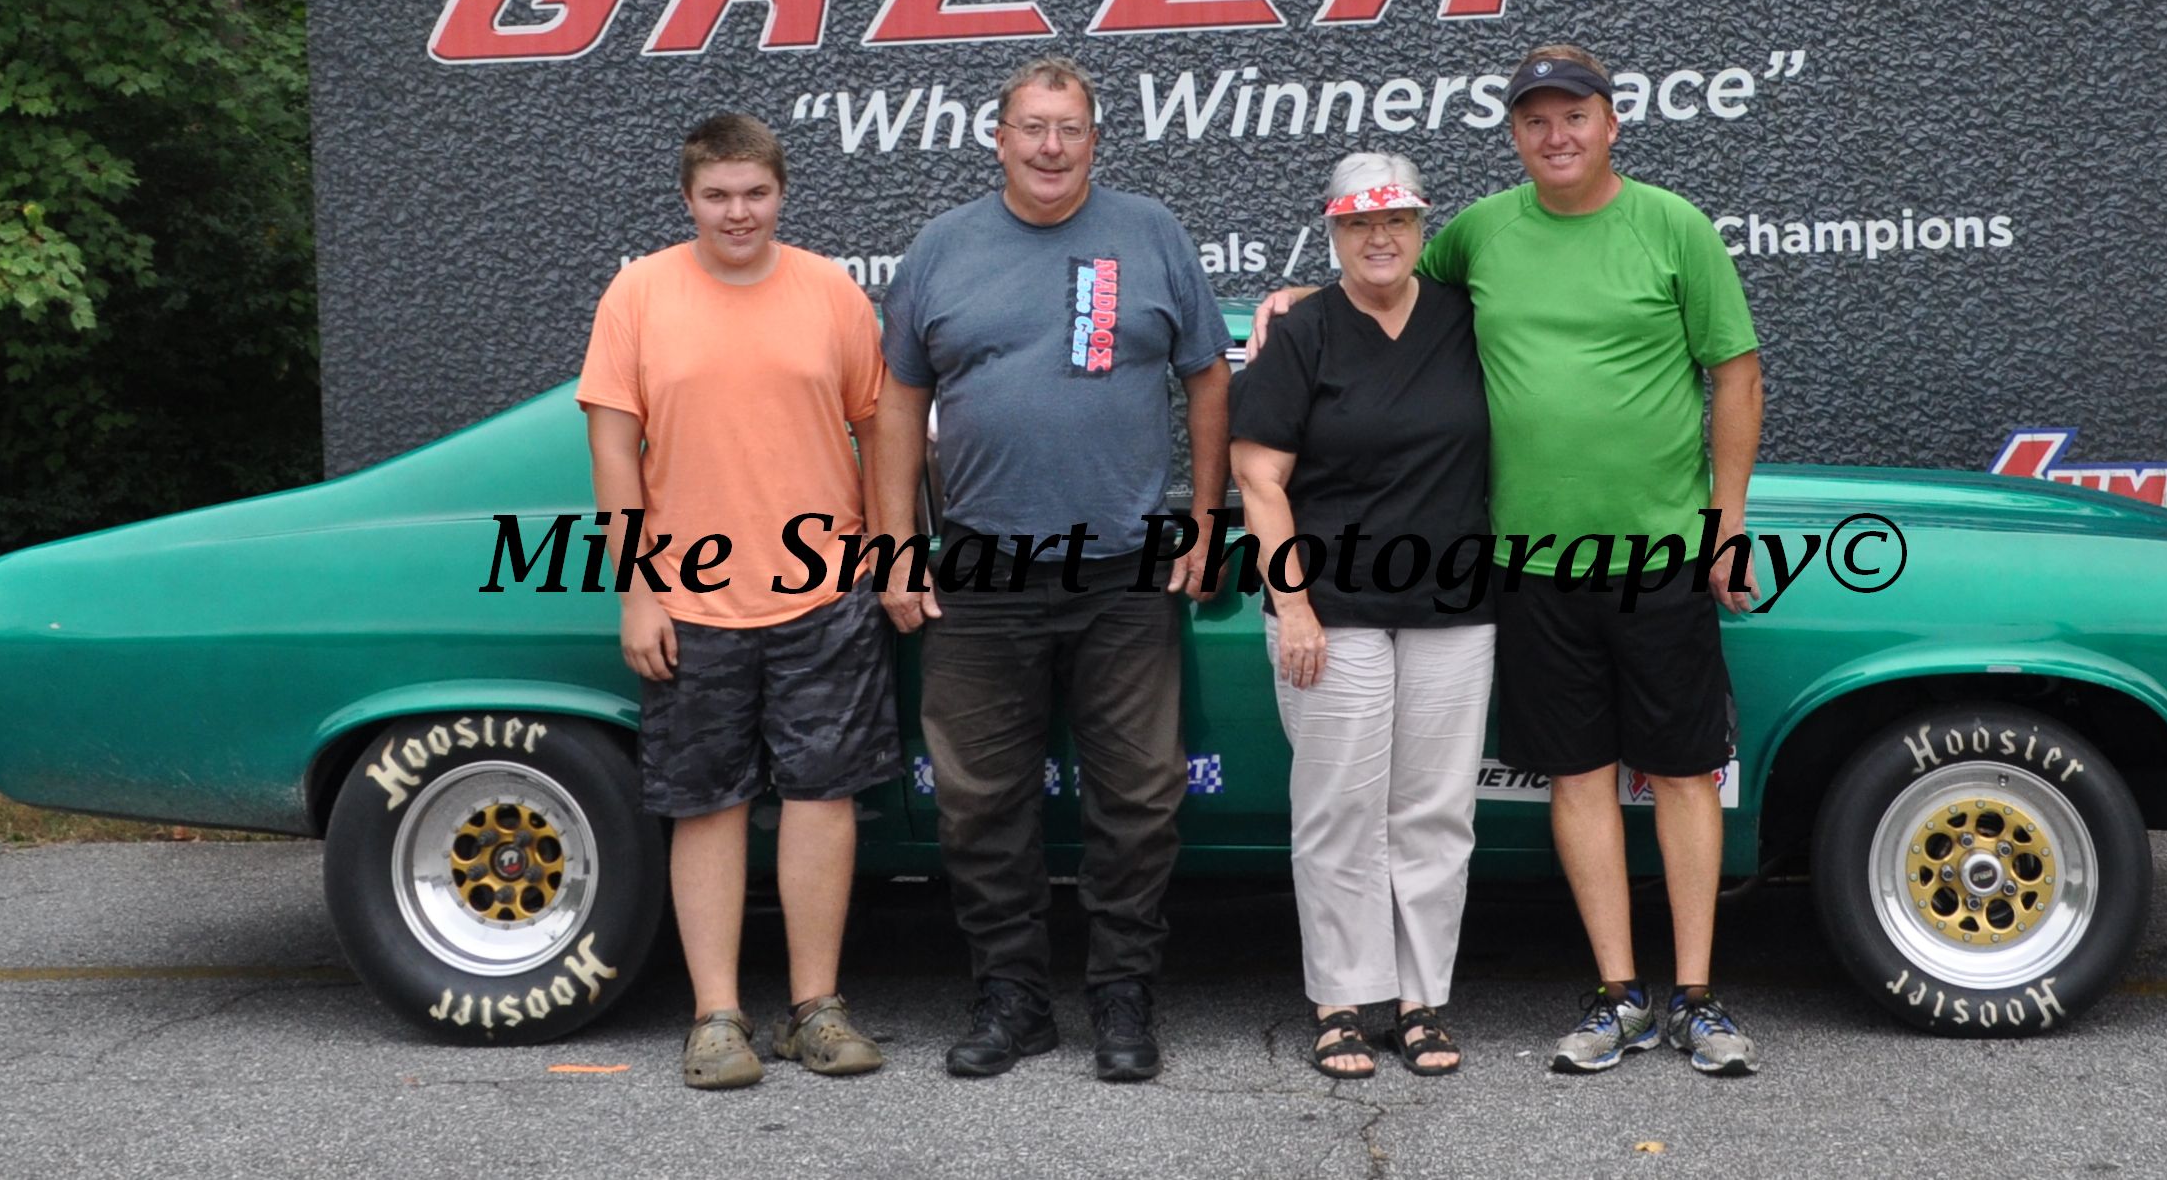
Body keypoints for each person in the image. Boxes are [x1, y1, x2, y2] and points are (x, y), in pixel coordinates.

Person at [1254, 43, 1765, 1077]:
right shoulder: (1480, 234)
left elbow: (1738, 375)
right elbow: (1379, 286)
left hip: (1660, 553)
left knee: (1681, 773)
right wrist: (1300, 295)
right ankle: (1617, 994)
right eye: (1535, 119)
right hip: (1528, 566)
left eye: (1573, 115)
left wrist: (1725, 522)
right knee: (1575, 776)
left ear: (1610, 122)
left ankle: (1696, 997)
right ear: (1514, 135)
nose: (1555, 134)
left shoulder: (1674, 226)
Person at [870, 54, 1233, 1083]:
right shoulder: (942, 249)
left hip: (1125, 570)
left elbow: (1208, 379)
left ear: (1094, 141)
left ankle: (1122, 993)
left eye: (1069, 128)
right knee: (980, 800)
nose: (1049, 146)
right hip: (980, 570)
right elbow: (896, 405)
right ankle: (1012, 997)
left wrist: (1206, 523)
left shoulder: (1150, 234)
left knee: (1139, 798)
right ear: (998, 139)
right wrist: (895, 545)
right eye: (1031, 127)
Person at [577, 113, 897, 1092]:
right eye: (717, 195)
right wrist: (638, 590)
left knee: (820, 800)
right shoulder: (639, 294)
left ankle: (816, 1010)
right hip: (690, 602)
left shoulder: (831, 292)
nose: (737, 212)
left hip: (825, 594)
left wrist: (887, 553)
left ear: (781, 193)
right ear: (688, 199)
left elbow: (882, 430)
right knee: (707, 807)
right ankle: (716, 1019)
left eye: (754, 192)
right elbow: (612, 452)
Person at [1230, 152, 1495, 1080]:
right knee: (1340, 809)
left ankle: (1422, 1002)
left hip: (1453, 606)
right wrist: (1293, 604)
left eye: (1396, 220)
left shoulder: (1466, 317)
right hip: (1331, 610)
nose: (1379, 237)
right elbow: (1258, 476)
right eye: (1358, 223)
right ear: (1333, 230)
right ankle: (1342, 1003)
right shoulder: (1303, 332)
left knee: (1434, 812)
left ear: (1423, 228)